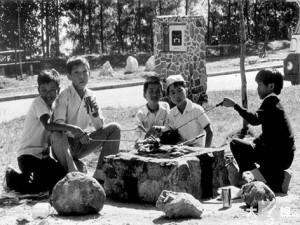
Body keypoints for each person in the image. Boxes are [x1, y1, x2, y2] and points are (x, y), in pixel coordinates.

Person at [221, 68, 295, 192]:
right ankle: (279, 179)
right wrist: (254, 143)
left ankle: (261, 183)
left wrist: (235, 106)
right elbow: (269, 133)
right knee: (250, 150)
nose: (257, 89)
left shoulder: (271, 102)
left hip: (278, 156)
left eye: (260, 85)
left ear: (271, 86)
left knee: (236, 144)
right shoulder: (275, 103)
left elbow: (254, 120)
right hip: (283, 156)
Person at [50, 56, 121, 184]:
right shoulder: (64, 96)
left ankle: (100, 176)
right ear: (69, 76)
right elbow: (57, 124)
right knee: (56, 134)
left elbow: (99, 128)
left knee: (114, 129)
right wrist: (74, 131)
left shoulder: (90, 95)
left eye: (85, 72)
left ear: (89, 73)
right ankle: (73, 174)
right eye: (76, 72)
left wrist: (95, 114)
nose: (81, 76)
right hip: (64, 145)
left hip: (82, 143)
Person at [3, 69, 66, 194]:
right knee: (38, 188)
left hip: (43, 157)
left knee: (61, 176)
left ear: (58, 90)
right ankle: (11, 176)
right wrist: (72, 128)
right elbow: (48, 126)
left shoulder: (55, 106)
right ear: (38, 90)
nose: (48, 94)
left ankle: (33, 179)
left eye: (52, 90)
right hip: (28, 156)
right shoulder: (39, 102)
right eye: (44, 90)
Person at [162, 74, 213, 147]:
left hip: (198, 150)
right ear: (169, 97)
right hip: (182, 151)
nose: (177, 96)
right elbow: (172, 135)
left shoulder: (196, 110)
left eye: (179, 90)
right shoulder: (171, 114)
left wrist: (206, 151)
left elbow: (209, 132)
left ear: (186, 90)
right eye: (173, 93)